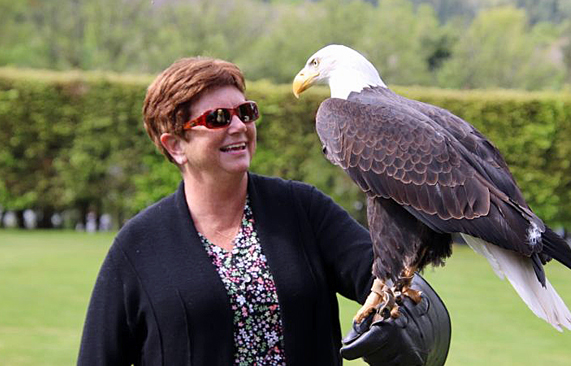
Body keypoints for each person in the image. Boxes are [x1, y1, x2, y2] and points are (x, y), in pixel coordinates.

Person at [77, 57, 450, 366]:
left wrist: (402, 312)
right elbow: (98, 357)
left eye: (246, 112)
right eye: (218, 118)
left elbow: (381, 274)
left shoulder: (302, 210)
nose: (239, 126)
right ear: (175, 145)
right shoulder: (139, 246)